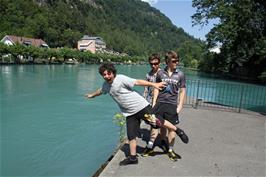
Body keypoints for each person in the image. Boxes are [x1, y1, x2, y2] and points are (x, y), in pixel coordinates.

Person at [85, 63, 187, 165]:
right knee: (131, 135)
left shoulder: (120, 79)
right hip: (129, 113)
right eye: (104, 74)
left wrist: (154, 84)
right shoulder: (106, 85)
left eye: (109, 73)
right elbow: (101, 91)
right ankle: (133, 158)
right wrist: (92, 95)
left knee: (157, 122)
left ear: (113, 73)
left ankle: (178, 131)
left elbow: (137, 82)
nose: (107, 76)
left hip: (141, 107)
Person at [142, 50, 189, 161]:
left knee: (171, 130)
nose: (176, 62)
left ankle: (171, 150)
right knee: (154, 125)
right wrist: (154, 103)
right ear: (167, 61)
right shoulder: (160, 73)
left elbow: (182, 91)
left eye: (177, 60)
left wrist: (180, 106)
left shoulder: (180, 74)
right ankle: (150, 147)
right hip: (159, 103)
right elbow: (156, 88)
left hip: (172, 104)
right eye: (174, 61)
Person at [142, 53, 167, 156]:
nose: (153, 66)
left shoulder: (163, 74)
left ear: (159, 63)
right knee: (154, 122)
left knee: (162, 123)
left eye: (155, 63)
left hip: (161, 101)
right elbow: (146, 89)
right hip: (150, 101)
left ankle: (161, 141)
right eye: (151, 64)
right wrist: (143, 100)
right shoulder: (148, 74)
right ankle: (153, 143)